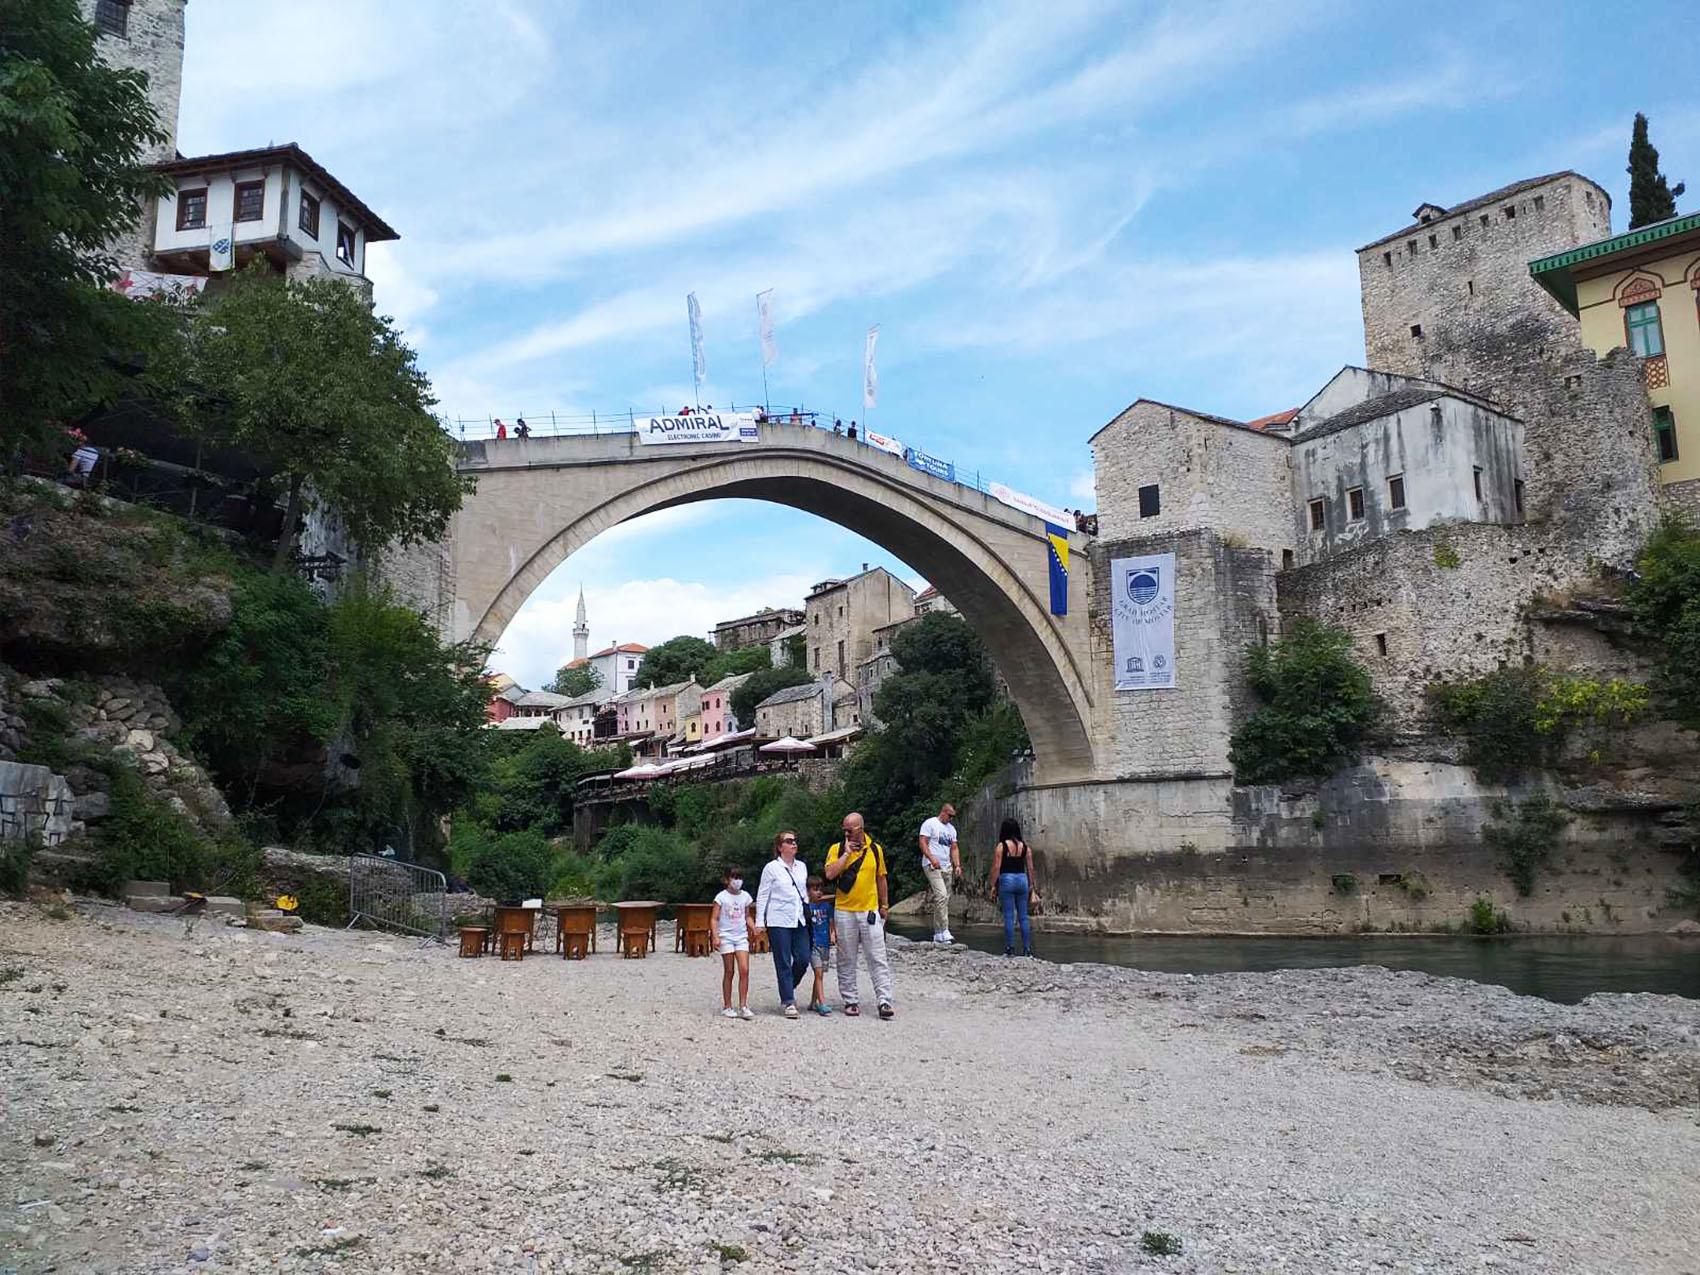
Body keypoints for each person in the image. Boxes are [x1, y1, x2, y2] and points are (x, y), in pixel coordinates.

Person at [823, 812, 894, 1019]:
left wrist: (885, 905)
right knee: (846, 958)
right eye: (844, 829)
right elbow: (829, 874)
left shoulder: (875, 849)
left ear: (861, 829)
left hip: (869, 910)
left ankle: (884, 1000)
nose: (846, 833)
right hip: (844, 911)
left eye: (849, 830)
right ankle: (850, 1000)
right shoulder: (836, 849)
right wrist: (845, 854)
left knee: (877, 957)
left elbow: (881, 879)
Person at [753, 830, 810, 1019]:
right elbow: (762, 895)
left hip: (798, 918)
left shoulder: (802, 867)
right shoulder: (771, 868)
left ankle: (787, 986)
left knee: (803, 957)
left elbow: (803, 892)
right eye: (789, 841)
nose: (794, 843)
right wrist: (760, 921)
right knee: (783, 960)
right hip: (778, 920)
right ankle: (788, 1000)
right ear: (780, 847)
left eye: (795, 840)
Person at [988, 818, 1038, 957]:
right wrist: (1031, 885)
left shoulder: (1001, 846)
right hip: (1022, 879)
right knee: (1023, 917)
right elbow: (1030, 868)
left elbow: (997, 867)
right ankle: (1027, 949)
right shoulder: (1025, 847)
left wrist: (992, 885)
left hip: (1007, 880)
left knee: (1009, 917)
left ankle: (1010, 948)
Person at [712, 867, 755, 1020]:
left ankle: (743, 1005)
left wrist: (754, 927)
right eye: (734, 877)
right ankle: (727, 1005)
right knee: (729, 971)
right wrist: (716, 936)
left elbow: (747, 916)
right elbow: (714, 918)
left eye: (739, 877)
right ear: (727, 880)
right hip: (726, 936)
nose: (737, 880)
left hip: (741, 936)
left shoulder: (745, 897)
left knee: (744, 969)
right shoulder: (721, 897)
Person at [918, 802, 961, 945]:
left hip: (946, 866)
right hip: (932, 865)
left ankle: (938, 933)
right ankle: (945, 930)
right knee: (941, 895)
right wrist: (931, 858)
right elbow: (923, 842)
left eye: (953, 816)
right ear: (943, 812)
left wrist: (957, 865)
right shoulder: (930, 823)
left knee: (944, 900)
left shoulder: (952, 830)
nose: (951, 818)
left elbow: (954, 848)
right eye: (949, 815)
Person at [804, 876, 834, 1016]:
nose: (819, 892)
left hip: (825, 944)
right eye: (815, 889)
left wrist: (833, 935)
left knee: (820, 975)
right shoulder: (807, 908)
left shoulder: (827, 907)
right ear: (808, 891)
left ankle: (813, 1002)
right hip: (814, 944)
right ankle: (822, 1003)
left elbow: (831, 923)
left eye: (820, 889)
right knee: (818, 973)